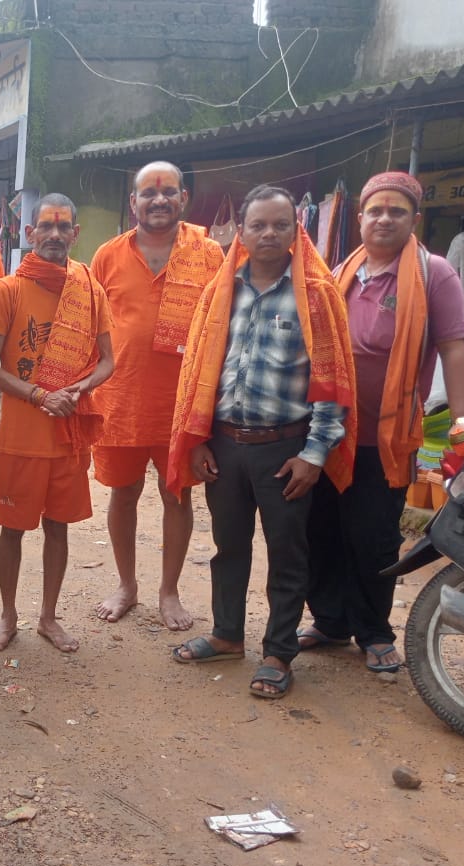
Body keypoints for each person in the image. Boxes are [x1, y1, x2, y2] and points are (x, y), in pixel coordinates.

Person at [166, 185, 356, 700]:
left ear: (296, 231)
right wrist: (198, 441)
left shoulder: (316, 294)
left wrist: (314, 455)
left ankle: (278, 653)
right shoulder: (221, 291)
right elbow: (200, 372)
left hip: (285, 450)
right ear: (241, 232)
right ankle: (227, 635)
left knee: (287, 554)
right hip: (225, 446)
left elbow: (332, 382)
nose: (268, 233)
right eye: (258, 225)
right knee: (228, 547)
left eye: (279, 225)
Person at [302, 171, 464, 671]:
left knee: (373, 535)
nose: (384, 218)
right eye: (375, 210)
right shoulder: (342, 271)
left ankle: (374, 631)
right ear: (359, 218)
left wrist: (463, 423)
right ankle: (329, 621)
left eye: (397, 211)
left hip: (387, 435)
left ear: (414, 219)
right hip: (328, 431)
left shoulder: (434, 274)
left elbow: (454, 350)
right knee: (321, 528)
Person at [91, 161, 225, 630]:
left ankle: (169, 591)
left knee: (177, 496)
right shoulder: (108, 255)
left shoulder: (209, 255)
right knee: (123, 493)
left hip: (182, 405)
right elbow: (89, 324)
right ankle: (127, 585)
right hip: (120, 400)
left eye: (169, 191)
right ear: (133, 202)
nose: (159, 200)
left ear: (184, 198)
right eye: (148, 192)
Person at [0, 194, 114, 653]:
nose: (54, 235)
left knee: (59, 528)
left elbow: (108, 361)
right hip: (20, 439)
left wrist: (78, 389)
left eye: (63, 227)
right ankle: (7, 616)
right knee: (12, 530)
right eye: (46, 226)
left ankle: (48, 618)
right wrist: (40, 395)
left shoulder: (90, 290)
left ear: (75, 233)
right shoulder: (7, 290)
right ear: (29, 232)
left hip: (67, 436)